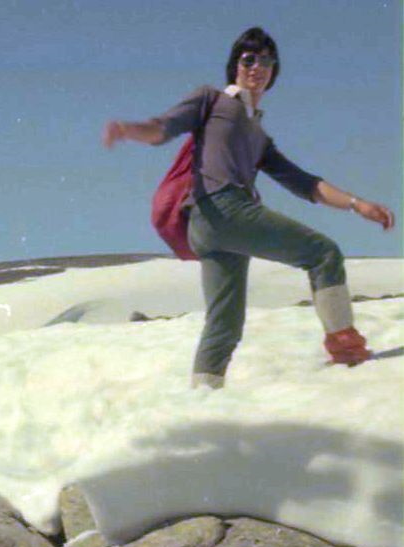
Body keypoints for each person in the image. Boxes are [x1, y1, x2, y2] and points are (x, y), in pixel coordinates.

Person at [103, 26, 395, 388]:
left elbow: (304, 183)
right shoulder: (211, 100)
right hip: (222, 207)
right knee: (324, 254)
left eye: (267, 61)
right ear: (235, 65)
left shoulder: (259, 136)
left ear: (273, 73)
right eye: (249, 58)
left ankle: (203, 397)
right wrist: (129, 130)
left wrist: (356, 203)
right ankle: (348, 354)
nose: (257, 66)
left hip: (213, 229)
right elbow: (163, 128)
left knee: (224, 323)